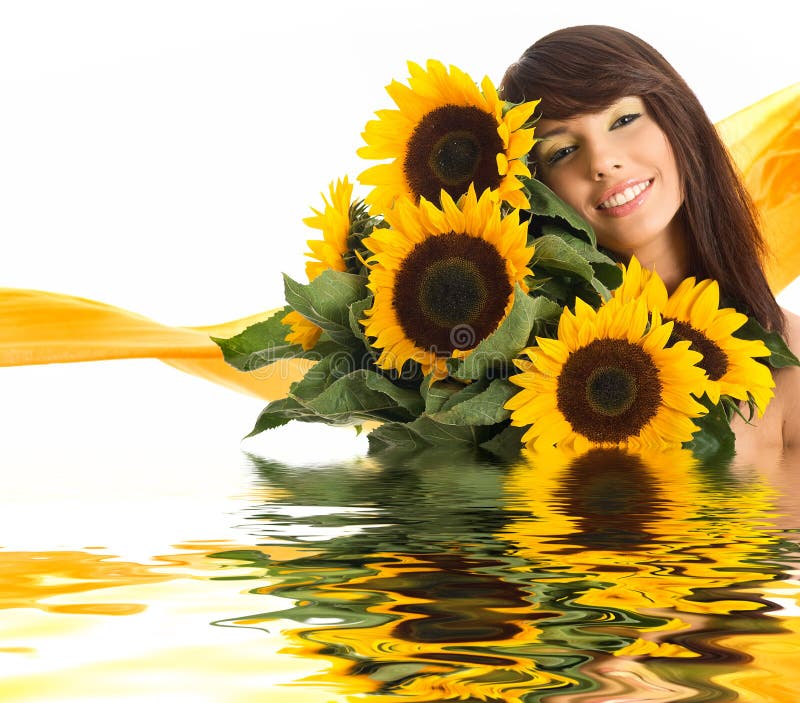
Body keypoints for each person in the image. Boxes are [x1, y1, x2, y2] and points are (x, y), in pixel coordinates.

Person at [499, 25, 800, 459]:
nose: (602, 161)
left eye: (623, 120)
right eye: (562, 151)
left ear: (677, 119)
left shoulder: (788, 363)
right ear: (539, 192)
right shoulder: (520, 368)